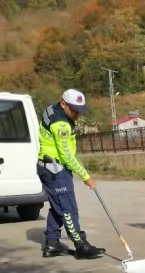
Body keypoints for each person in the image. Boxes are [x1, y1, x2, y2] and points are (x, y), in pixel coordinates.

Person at [36, 89, 105, 259]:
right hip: (55, 169)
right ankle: (81, 246)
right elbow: (67, 156)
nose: (77, 114)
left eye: (79, 110)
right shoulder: (61, 125)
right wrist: (86, 176)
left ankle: (52, 244)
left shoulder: (52, 109)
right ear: (63, 103)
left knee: (58, 207)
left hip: (47, 166)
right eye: (74, 109)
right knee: (68, 209)